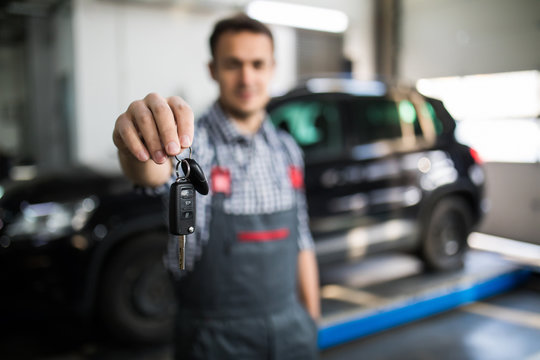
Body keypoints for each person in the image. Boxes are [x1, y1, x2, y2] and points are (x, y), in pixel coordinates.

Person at [112, 13, 320, 359]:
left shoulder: (287, 150)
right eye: (233, 64)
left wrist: (311, 322)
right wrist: (136, 144)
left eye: (257, 64)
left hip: (292, 335)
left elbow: (302, 240)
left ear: (272, 68)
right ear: (213, 69)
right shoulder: (194, 145)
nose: (247, 77)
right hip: (213, 342)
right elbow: (151, 174)